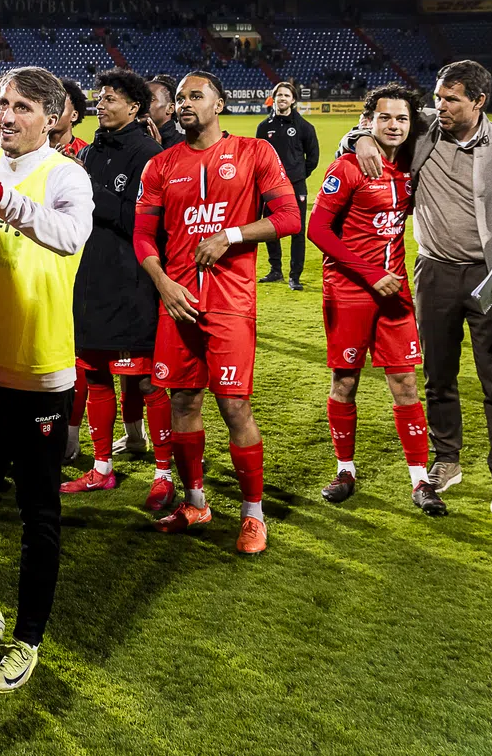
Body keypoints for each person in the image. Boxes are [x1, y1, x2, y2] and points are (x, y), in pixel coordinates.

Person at [346, 61, 492, 516]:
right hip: (433, 270)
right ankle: (447, 459)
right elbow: (372, 129)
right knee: (438, 374)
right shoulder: (423, 130)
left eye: (451, 99)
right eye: (437, 97)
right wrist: (360, 139)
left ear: (479, 101)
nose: (440, 106)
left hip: (490, 275)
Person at [134, 71, 300, 553]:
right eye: (180, 98)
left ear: (219, 104)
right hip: (178, 302)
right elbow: (142, 235)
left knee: (234, 406)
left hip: (230, 303)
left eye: (196, 95)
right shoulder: (160, 165)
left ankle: (253, 515)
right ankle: (195, 503)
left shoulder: (254, 152)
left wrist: (230, 235)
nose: (185, 103)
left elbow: (289, 218)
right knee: (182, 403)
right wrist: (163, 283)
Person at [0, 66, 93, 695]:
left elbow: (68, 237)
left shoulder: (67, 176)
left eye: (21, 107)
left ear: (51, 116)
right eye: (1, 104)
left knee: (39, 512)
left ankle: (29, 637)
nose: (7, 115)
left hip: (40, 372)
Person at [306, 85, 447, 516]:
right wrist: (370, 274)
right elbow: (317, 229)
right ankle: (344, 471)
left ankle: (420, 481)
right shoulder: (348, 166)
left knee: (405, 383)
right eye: (385, 117)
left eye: (402, 118)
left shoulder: (410, 164)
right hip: (349, 290)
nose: (394, 126)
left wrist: (386, 279)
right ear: (368, 121)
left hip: (394, 292)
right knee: (345, 381)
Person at [64, 68, 172, 509]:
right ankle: (102, 467)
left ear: (134, 107)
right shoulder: (91, 151)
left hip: (131, 281)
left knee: (146, 381)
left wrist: (87, 186)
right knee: (95, 374)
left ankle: (164, 474)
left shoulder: (148, 154)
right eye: (100, 98)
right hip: (90, 279)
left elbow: (138, 220)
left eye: (110, 99)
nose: (101, 105)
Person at [255, 81, 320, 290]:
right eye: (279, 95)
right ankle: (276, 270)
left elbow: (313, 158)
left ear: (293, 100)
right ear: (274, 98)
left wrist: (298, 175)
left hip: (295, 185)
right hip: (271, 187)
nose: (282, 98)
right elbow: (258, 157)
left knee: (297, 230)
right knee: (270, 227)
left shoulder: (305, 127)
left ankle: (295, 276)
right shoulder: (264, 127)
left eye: (286, 95)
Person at [49, 78, 90, 158]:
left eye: (60, 108)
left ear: (74, 116)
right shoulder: (31, 150)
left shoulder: (86, 153)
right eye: (49, 107)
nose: (52, 112)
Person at [143, 75, 186, 150]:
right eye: (141, 99)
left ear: (170, 108)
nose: (142, 103)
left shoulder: (186, 144)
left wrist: (157, 150)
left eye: (151, 99)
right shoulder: (129, 140)